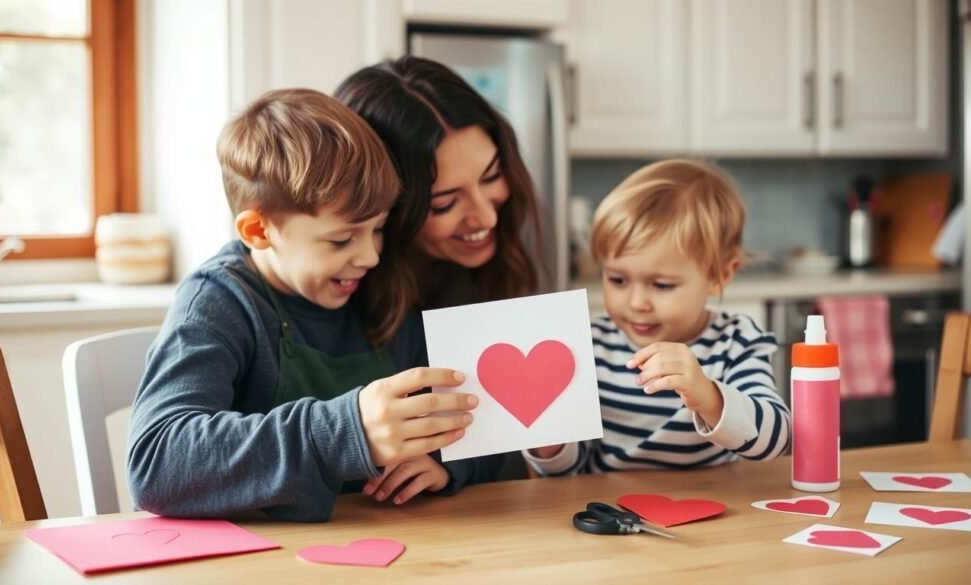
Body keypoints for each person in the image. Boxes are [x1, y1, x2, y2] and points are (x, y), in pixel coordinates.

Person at [127, 88, 487, 522]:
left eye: (378, 229)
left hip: (392, 543)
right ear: (259, 231)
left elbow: (480, 425)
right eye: (341, 239)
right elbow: (156, 462)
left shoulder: (381, 289)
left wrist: (447, 462)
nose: (370, 256)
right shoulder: (219, 302)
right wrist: (345, 431)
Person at [335, 56, 546, 483]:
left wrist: (452, 464)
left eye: (492, 176)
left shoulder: (472, 274)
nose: (485, 216)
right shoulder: (335, 290)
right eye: (445, 203)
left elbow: (509, 450)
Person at [524, 159, 792, 475]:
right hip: (606, 501)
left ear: (719, 275)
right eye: (618, 280)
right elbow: (566, 471)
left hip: (708, 501)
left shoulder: (736, 341)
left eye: (661, 285)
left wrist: (709, 396)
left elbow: (778, 441)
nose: (637, 303)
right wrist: (550, 441)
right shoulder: (587, 344)